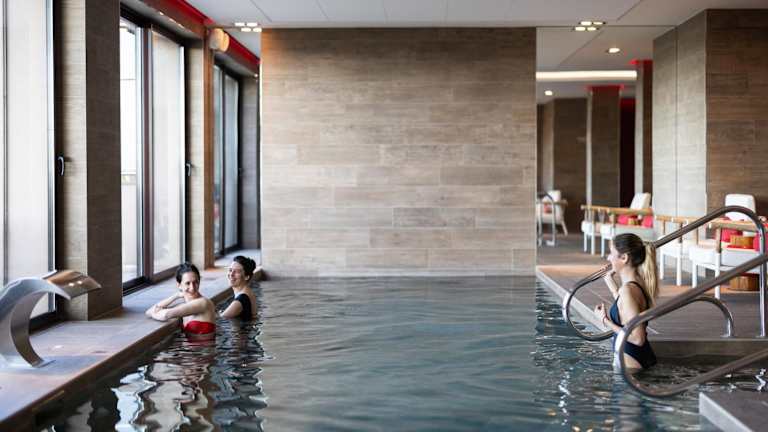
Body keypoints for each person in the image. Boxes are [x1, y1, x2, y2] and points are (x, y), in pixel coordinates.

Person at [593, 233, 658, 369]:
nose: (608, 258)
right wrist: (610, 283)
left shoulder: (628, 290)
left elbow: (638, 339)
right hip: (637, 359)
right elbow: (626, 311)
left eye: (611, 253)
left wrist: (605, 321)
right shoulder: (637, 283)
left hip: (632, 366)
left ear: (624, 258)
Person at [146, 263, 217, 340]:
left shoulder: (203, 303)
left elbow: (165, 315)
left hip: (203, 347)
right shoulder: (183, 306)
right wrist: (175, 296)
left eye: (195, 282)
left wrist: (155, 312)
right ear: (179, 285)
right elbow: (148, 312)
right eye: (187, 283)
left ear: (199, 282)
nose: (192, 287)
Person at [220, 255, 258, 320]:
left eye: (237, 271)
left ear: (246, 277)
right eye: (230, 270)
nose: (231, 274)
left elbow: (220, 319)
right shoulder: (247, 292)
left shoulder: (241, 300)